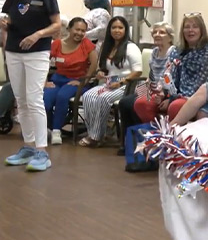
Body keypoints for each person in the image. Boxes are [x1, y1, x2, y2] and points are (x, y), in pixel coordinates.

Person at [0, 0, 60, 172]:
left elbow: (57, 26)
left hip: (37, 52)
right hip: (14, 52)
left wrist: (37, 35)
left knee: (34, 99)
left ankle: (42, 151)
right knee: (21, 100)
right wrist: (3, 23)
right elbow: (7, 19)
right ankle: (28, 146)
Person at [133, 13, 208, 125]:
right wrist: (163, 94)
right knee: (142, 103)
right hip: (174, 93)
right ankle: (158, 134)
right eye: (187, 27)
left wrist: (171, 99)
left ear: (201, 30)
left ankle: (173, 138)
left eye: (195, 26)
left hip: (197, 96)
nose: (190, 30)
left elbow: (201, 84)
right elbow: (168, 76)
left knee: (175, 107)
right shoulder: (177, 50)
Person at [78, 16, 143, 147]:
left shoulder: (131, 47)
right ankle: (96, 132)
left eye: (120, 27)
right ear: (109, 30)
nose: (117, 30)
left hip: (127, 84)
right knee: (87, 96)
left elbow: (138, 71)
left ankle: (96, 137)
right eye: (114, 27)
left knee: (103, 99)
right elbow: (104, 69)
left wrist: (121, 82)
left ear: (125, 30)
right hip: (109, 83)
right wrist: (100, 73)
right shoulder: (107, 47)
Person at [117, 21, 175, 155]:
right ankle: (128, 142)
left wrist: (159, 90)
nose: (157, 35)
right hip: (153, 87)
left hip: (168, 90)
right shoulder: (154, 52)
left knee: (139, 103)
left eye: (161, 32)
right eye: (155, 32)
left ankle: (149, 140)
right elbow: (151, 75)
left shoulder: (174, 52)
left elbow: (170, 76)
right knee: (125, 102)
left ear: (170, 37)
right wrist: (145, 88)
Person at [45, 17, 97, 145]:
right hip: (58, 79)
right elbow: (44, 62)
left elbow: (94, 64)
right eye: (77, 29)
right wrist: (44, 81)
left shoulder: (87, 44)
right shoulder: (57, 44)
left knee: (62, 96)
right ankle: (48, 127)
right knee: (46, 99)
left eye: (83, 31)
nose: (80, 33)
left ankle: (57, 131)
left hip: (77, 81)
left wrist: (83, 82)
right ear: (69, 29)